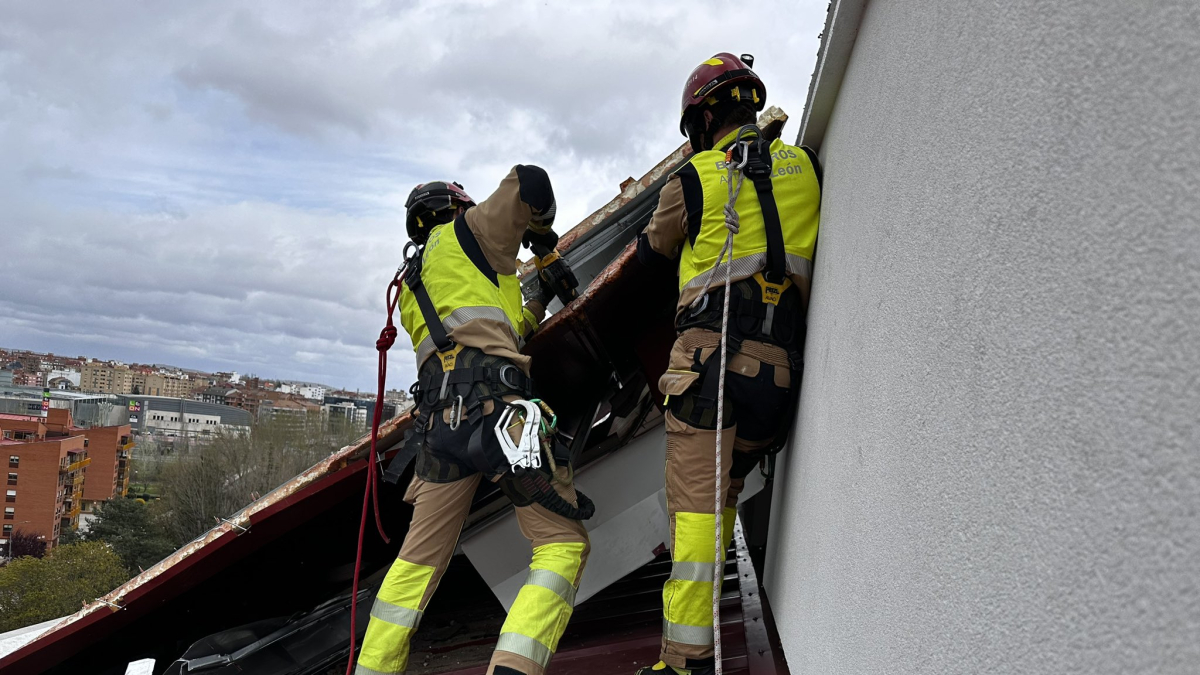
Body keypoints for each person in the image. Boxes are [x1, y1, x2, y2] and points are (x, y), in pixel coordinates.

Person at [355, 169, 593, 675]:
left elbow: (493, 332)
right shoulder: (467, 233)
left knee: (415, 567)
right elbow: (529, 181)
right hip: (498, 413)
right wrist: (540, 234)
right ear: (459, 209)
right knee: (561, 544)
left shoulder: (420, 278)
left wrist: (538, 300)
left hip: (439, 430)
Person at [633, 53, 822, 675]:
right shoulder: (806, 167)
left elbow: (655, 251)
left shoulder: (695, 177)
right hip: (778, 380)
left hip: (708, 372)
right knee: (724, 500)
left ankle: (685, 661)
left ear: (702, 117)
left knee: (694, 517)